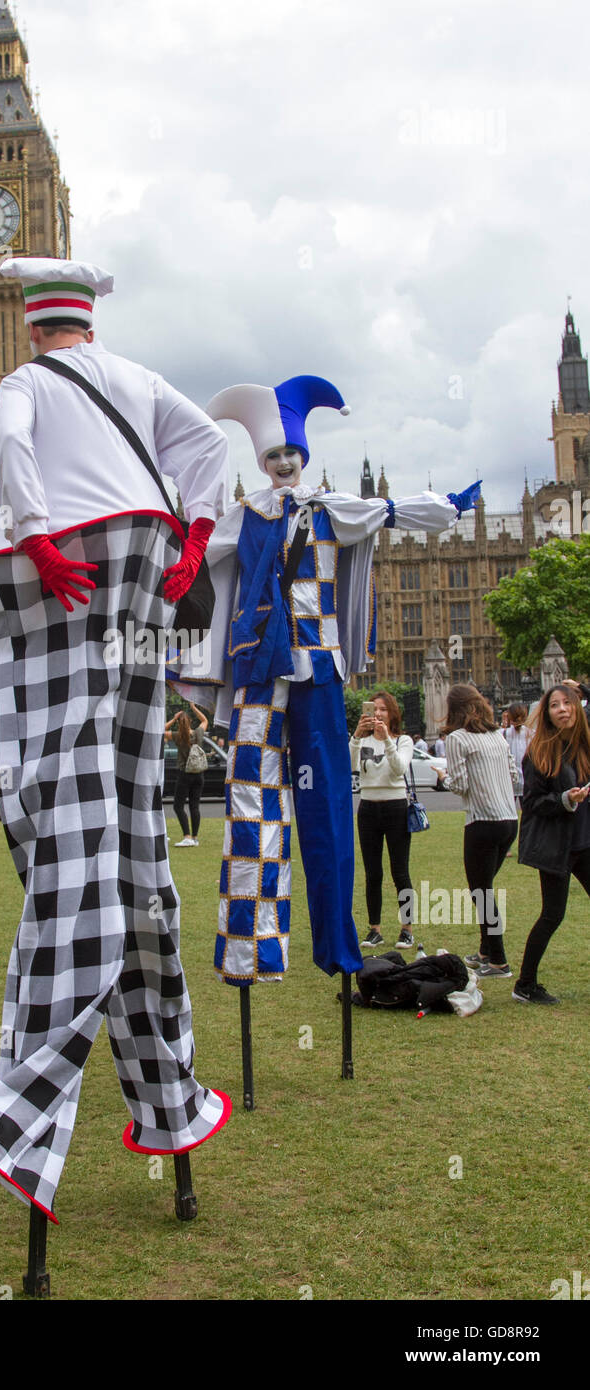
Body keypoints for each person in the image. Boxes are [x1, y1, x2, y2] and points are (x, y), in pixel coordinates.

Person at [0, 256, 231, 1222]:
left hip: (65, 571)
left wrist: (31, 531)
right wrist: (194, 536)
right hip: (145, 573)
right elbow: (206, 447)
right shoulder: (140, 379)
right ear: (90, 324)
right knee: (135, 834)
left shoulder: (25, 380)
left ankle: (21, 1118)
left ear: (33, 328)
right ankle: (169, 1098)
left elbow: (9, 447)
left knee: (67, 837)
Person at [172, 371, 481, 985]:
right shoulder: (246, 515)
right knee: (251, 806)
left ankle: (339, 947)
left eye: (292, 454)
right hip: (260, 669)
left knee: (330, 808)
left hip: (318, 668)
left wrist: (451, 505)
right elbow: (194, 547)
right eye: (274, 455)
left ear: (304, 458)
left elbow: (390, 513)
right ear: (262, 463)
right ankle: (249, 950)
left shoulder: (333, 510)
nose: (284, 463)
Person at [512, 684, 590, 1005]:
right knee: (552, 915)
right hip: (557, 845)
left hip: (585, 843)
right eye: (555, 705)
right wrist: (564, 799)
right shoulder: (540, 752)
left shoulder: (585, 745)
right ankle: (525, 985)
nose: (562, 709)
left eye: (567, 703)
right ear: (546, 714)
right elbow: (531, 803)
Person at [443, 684, 521, 978]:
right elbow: (514, 775)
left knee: (482, 893)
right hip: (509, 821)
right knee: (483, 889)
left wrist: (445, 777)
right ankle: (486, 950)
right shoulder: (497, 736)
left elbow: (460, 784)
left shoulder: (456, 739)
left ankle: (499, 960)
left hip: (482, 822)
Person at [350, 691, 415, 950]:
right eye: (374, 709)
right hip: (368, 808)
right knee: (372, 872)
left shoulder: (404, 740)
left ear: (392, 713)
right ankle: (374, 928)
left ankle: (407, 929)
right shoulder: (362, 741)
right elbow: (349, 765)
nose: (378, 714)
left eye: (383, 709)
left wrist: (387, 739)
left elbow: (399, 768)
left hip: (396, 807)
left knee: (400, 872)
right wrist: (356, 735)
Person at [166, 702, 209, 846]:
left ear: (179, 723)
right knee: (194, 806)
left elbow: (160, 731)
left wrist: (173, 718)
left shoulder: (178, 736)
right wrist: (193, 707)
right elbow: (205, 720)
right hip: (199, 774)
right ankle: (195, 838)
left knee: (178, 806)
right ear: (190, 721)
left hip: (185, 774)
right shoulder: (198, 733)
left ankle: (187, 836)